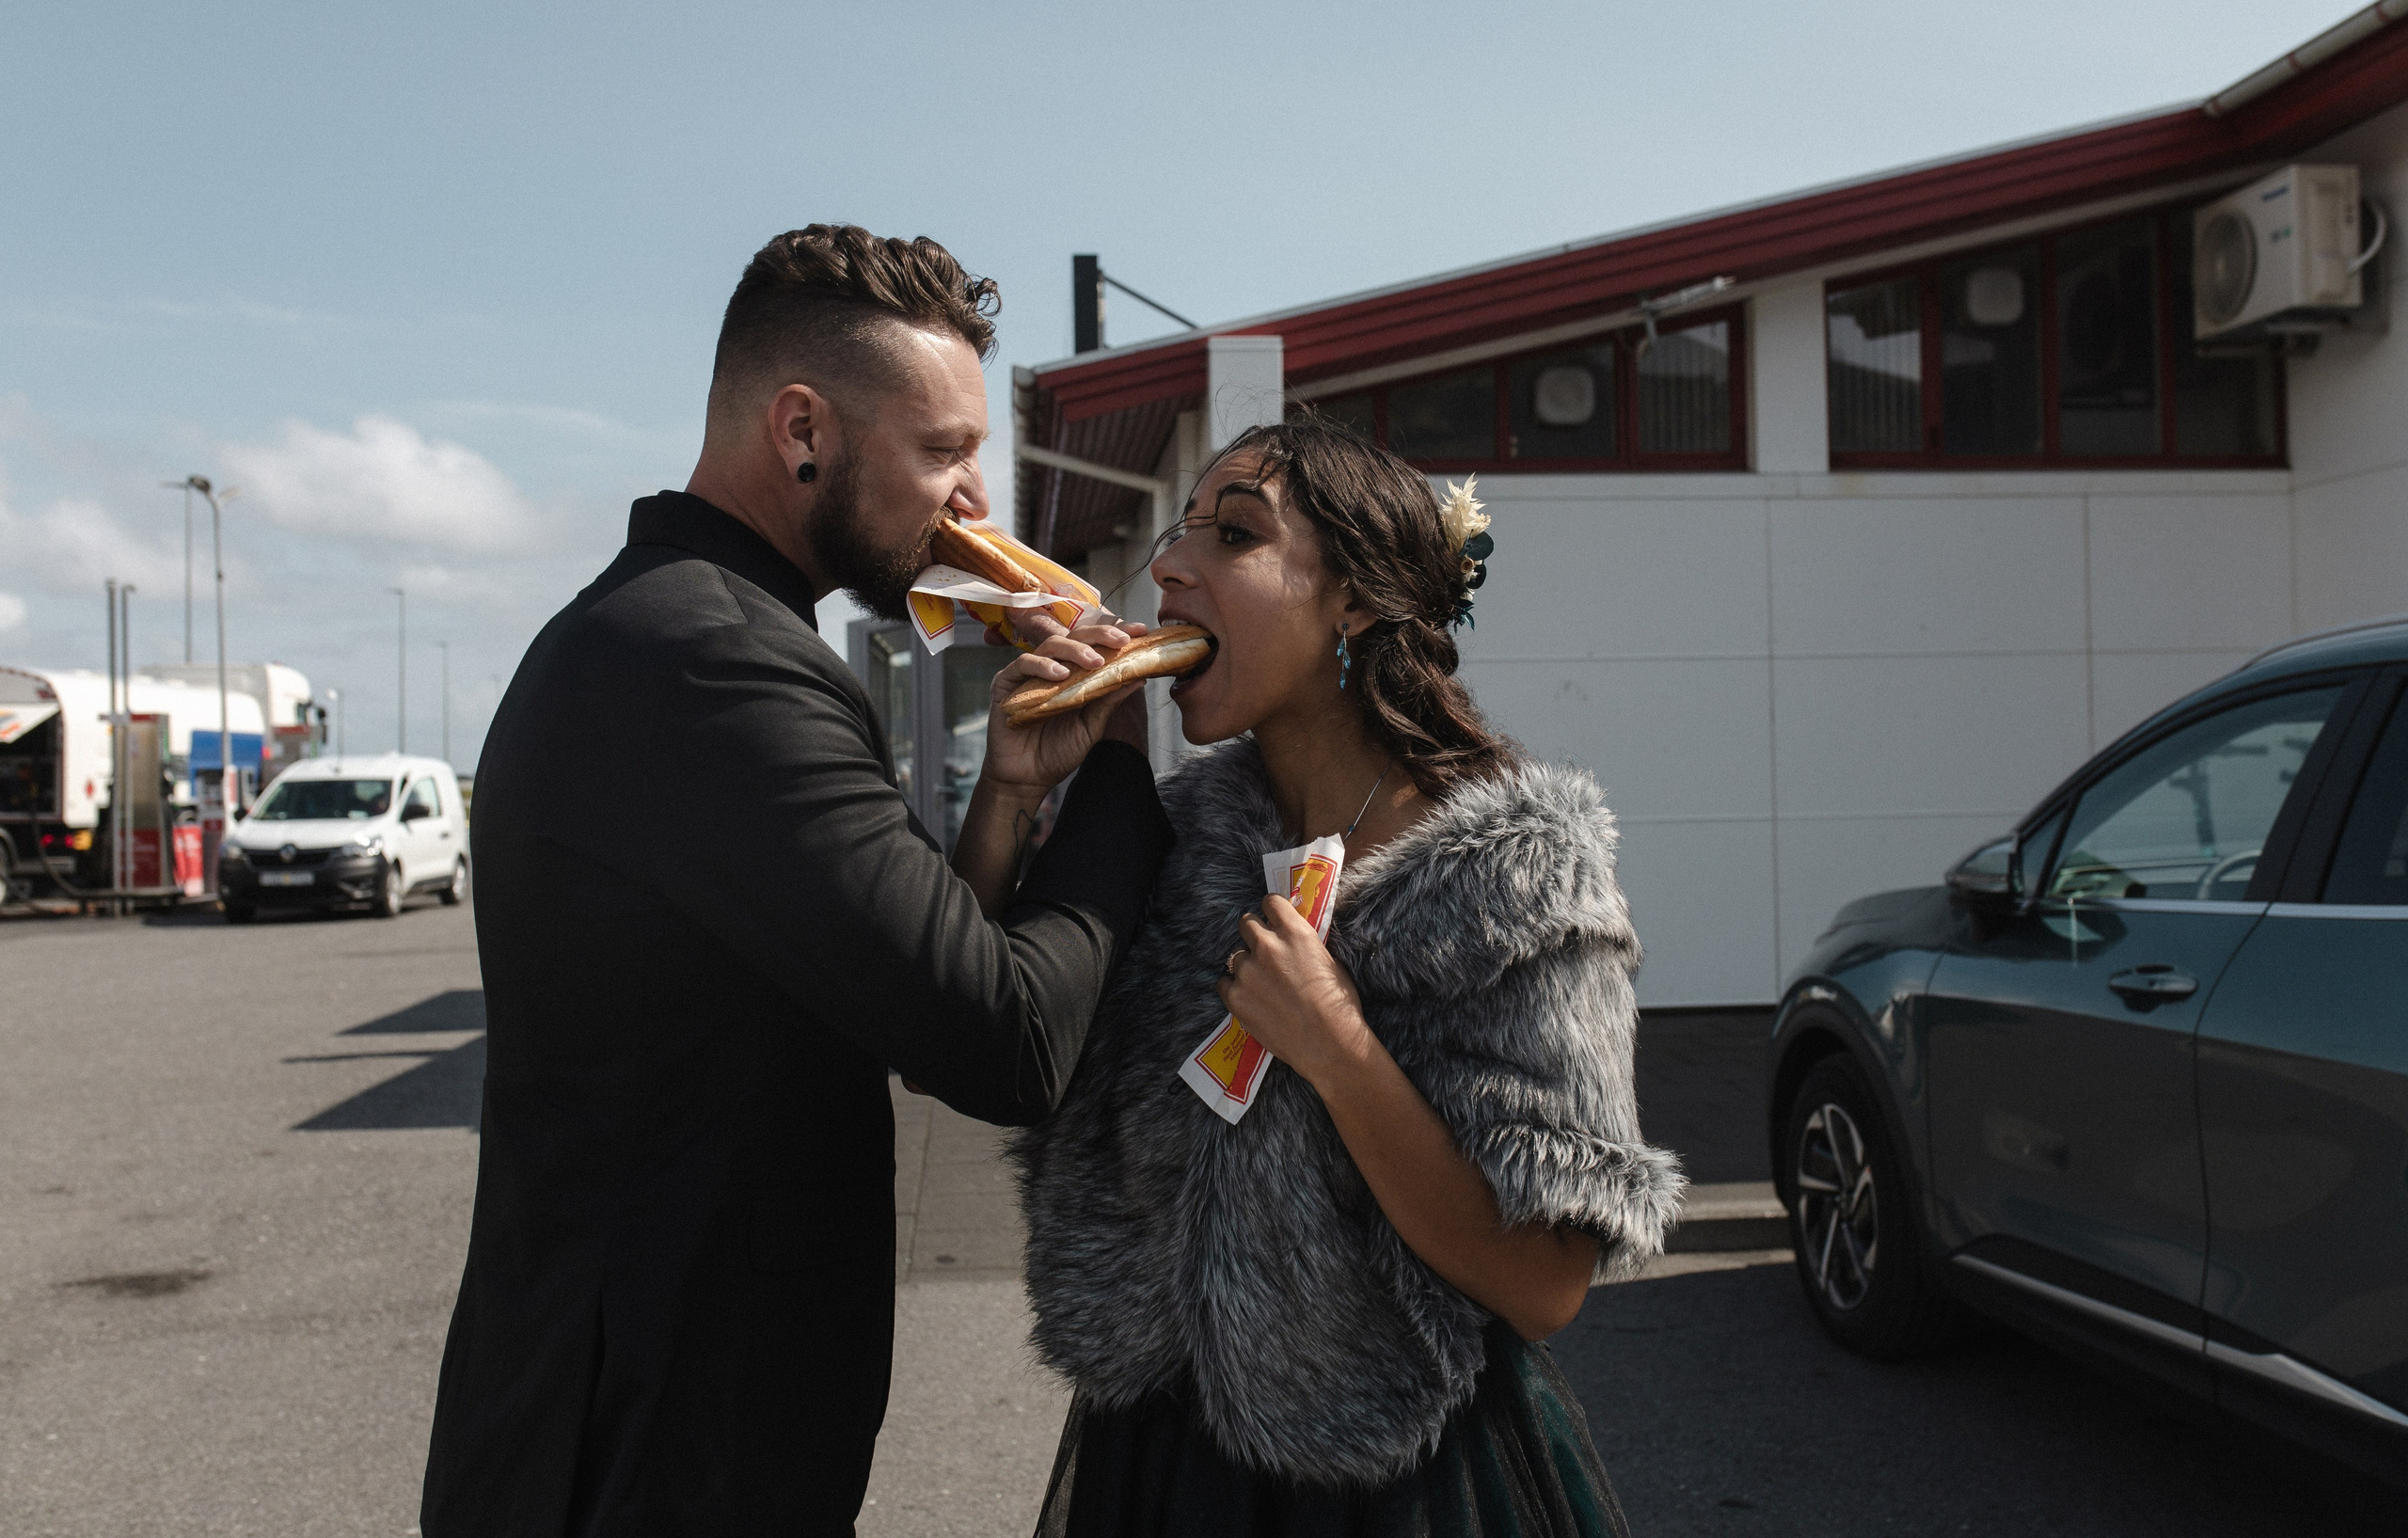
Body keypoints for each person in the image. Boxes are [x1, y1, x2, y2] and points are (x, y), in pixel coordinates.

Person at [419, 226, 1173, 1536]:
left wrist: (1007, 792)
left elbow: (899, 988)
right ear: (804, 428)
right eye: (942, 451)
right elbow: (1005, 1038)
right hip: (648, 1459)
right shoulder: (718, 666)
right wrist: (1120, 765)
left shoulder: (678, 630)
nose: (974, 502)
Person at [998, 420, 1687, 1537]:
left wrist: (1339, 1049)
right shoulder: (1174, 842)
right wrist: (1014, 793)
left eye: (1234, 536)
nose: (1169, 565)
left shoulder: (1517, 879)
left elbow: (1547, 1284)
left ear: (1355, 604)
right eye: (1181, 535)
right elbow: (1003, 1033)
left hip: (1393, 1474)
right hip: (1159, 1465)